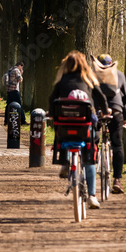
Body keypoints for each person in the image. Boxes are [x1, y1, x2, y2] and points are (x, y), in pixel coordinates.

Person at [48, 51, 110, 209]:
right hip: (84, 128)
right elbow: (101, 98)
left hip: (65, 127)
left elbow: (52, 100)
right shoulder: (89, 80)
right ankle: (92, 196)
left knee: (60, 133)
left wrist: (51, 113)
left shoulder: (61, 81)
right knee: (90, 157)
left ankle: (64, 160)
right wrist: (106, 111)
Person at [93, 53, 126, 194]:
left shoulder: (92, 74)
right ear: (111, 63)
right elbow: (125, 99)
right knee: (117, 144)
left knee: (92, 138)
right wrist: (125, 117)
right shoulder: (119, 74)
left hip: (97, 111)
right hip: (115, 110)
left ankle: (90, 164)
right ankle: (117, 180)